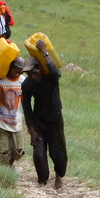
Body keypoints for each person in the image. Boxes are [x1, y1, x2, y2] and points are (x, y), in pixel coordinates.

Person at [21, 39, 67, 189]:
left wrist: (44, 52)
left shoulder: (51, 78)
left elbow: (53, 70)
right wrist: (31, 130)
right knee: (39, 153)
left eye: (33, 72)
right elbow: (26, 107)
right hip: (38, 121)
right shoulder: (27, 85)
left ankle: (59, 176)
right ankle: (42, 181)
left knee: (58, 151)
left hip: (55, 120)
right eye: (28, 74)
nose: (32, 76)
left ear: (40, 68)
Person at [0, 56, 26, 170]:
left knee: (18, 151)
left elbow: (24, 101)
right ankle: (5, 171)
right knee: (4, 152)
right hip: (1, 122)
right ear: (9, 67)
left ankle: (9, 165)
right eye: (15, 71)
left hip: (16, 122)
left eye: (19, 73)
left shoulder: (22, 81)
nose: (16, 75)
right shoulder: (1, 79)